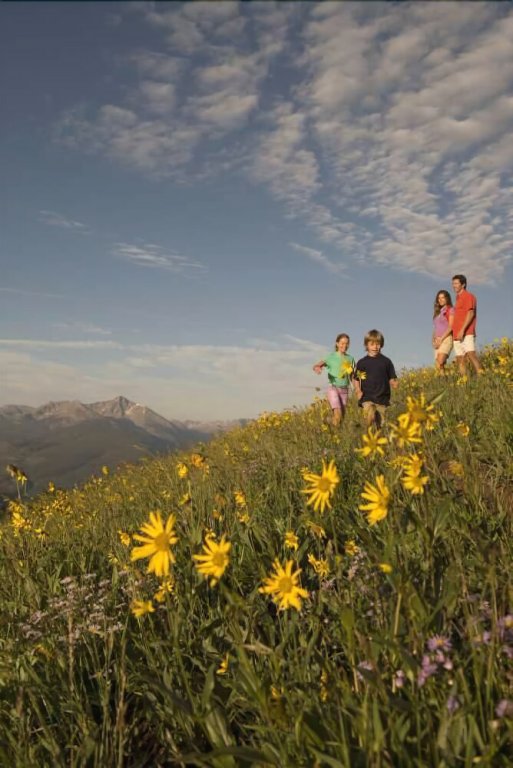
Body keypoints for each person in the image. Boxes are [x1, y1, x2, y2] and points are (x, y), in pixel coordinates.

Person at [353, 329, 398, 429]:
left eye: (378, 344)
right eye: (372, 344)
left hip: (382, 398)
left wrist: (393, 383)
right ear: (366, 345)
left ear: (381, 345)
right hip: (367, 397)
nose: (375, 347)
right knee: (371, 411)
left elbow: (391, 377)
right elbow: (357, 379)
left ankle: (375, 435)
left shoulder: (386, 362)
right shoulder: (362, 362)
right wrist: (358, 390)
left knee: (380, 425)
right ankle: (369, 422)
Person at [313, 333, 355, 427]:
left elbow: (352, 375)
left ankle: (328, 421)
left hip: (345, 390)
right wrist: (317, 368)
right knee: (338, 413)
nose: (344, 345)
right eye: (342, 343)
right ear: (337, 343)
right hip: (333, 388)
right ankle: (335, 438)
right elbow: (317, 365)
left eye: (347, 343)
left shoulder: (350, 358)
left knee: (341, 418)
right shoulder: (331, 357)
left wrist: (357, 388)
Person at [451, 274, 483, 375]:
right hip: (456, 334)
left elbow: (471, 313)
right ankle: (464, 383)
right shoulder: (458, 298)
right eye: (453, 283)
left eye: (456, 283)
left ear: (463, 284)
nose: (454, 285)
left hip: (466, 332)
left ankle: (482, 376)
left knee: (471, 354)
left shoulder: (468, 296)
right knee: (460, 358)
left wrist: (462, 330)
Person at [432, 290, 454, 374]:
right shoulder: (438, 312)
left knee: (441, 360)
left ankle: (448, 377)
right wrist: (433, 341)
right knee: (439, 365)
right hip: (437, 340)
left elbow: (451, 326)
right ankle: (444, 381)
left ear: (447, 298)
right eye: (439, 298)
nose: (440, 300)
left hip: (446, 338)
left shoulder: (450, 309)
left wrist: (441, 339)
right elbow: (435, 328)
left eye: (442, 297)